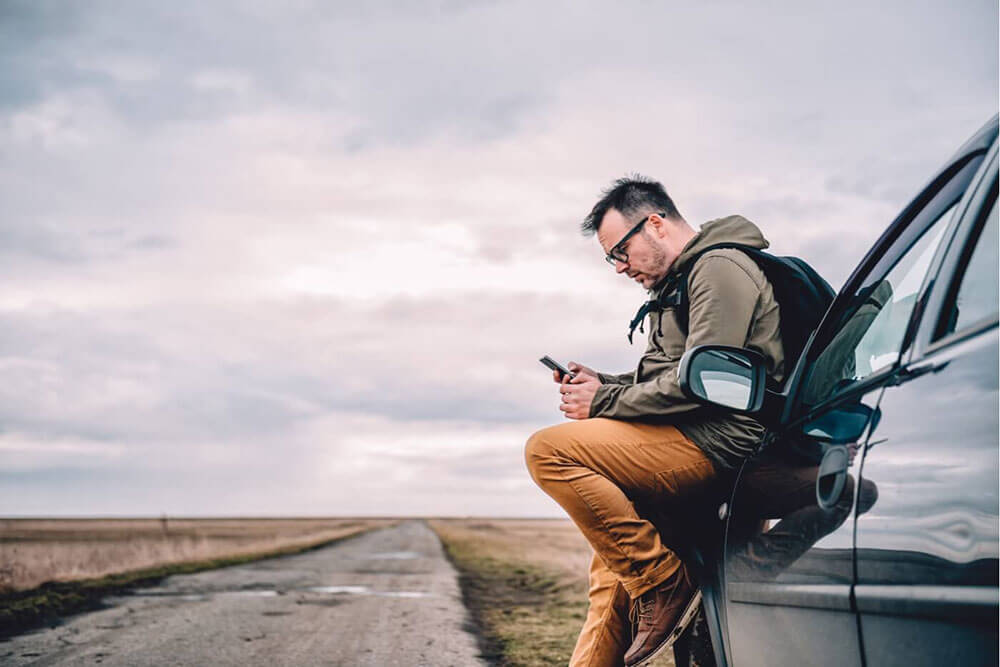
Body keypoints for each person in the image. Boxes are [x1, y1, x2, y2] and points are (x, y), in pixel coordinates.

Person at [524, 175, 785, 667]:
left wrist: (601, 402)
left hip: (721, 441)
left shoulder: (720, 268)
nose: (619, 268)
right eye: (612, 258)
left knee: (549, 450)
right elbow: (670, 376)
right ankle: (648, 580)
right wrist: (604, 382)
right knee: (611, 580)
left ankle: (663, 581)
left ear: (656, 225)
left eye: (620, 251)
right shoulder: (681, 281)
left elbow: (703, 385)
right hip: (683, 436)